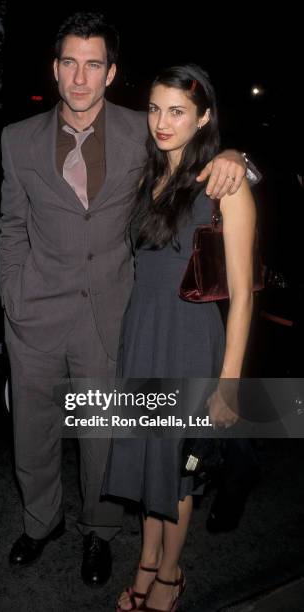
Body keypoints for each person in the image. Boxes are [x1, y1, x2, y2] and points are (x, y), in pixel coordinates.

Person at [0, 12, 249, 587]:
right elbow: (12, 225)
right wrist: (13, 296)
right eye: (69, 63)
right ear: (55, 68)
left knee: (104, 438)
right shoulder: (17, 139)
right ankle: (41, 524)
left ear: (111, 73)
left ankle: (100, 532)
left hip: (113, 314)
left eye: (93, 65)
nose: (79, 78)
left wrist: (240, 158)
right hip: (34, 314)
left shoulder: (144, 128)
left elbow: (201, 148)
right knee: (32, 433)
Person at [101, 63, 256, 611]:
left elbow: (242, 295)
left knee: (179, 470)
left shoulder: (223, 186)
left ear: (203, 117)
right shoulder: (149, 177)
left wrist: (230, 383)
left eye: (177, 111)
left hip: (190, 340)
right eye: (154, 108)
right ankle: (145, 561)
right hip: (142, 335)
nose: (161, 122)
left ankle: (170, 572)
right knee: (149, 458)